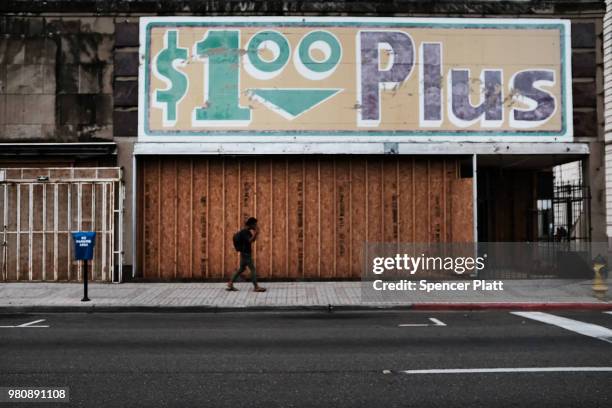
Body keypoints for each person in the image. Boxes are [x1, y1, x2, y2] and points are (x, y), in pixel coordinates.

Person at [227, 217, 266, 292]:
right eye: (254, 224)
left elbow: (252, 240)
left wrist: (255, 233)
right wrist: (256, 233)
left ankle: (230, 283)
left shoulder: (247, 232)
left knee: (242, 269)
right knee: (253, 269)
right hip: (246, 254)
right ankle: (256, 287)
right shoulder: (244, 232)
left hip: (244, 253)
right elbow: (250, 240)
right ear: (251, 224)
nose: (255, 225)